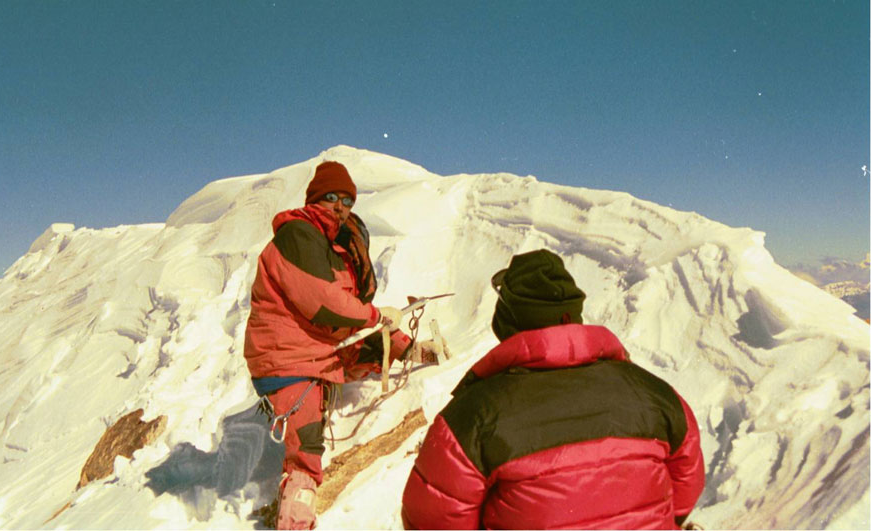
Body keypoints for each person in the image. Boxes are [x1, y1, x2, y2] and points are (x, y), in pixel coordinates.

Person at [402, 249, 705, 530]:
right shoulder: (656, 394)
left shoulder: (474, 415)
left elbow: (431, 521)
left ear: (507, 324)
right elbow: (684, 492)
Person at [244, 160, 436, 529]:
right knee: (306, 453)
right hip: (289, 360)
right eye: (331, 197)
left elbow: (345, 306)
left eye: (347, 200)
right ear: (315, 197)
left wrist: (379, 323)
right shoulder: (297, 235)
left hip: (317, 349)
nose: (339, 206)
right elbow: (323, 301)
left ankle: (415, 352)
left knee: (375, 341)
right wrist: (375, 316)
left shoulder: (329, 243)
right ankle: (295, 518)